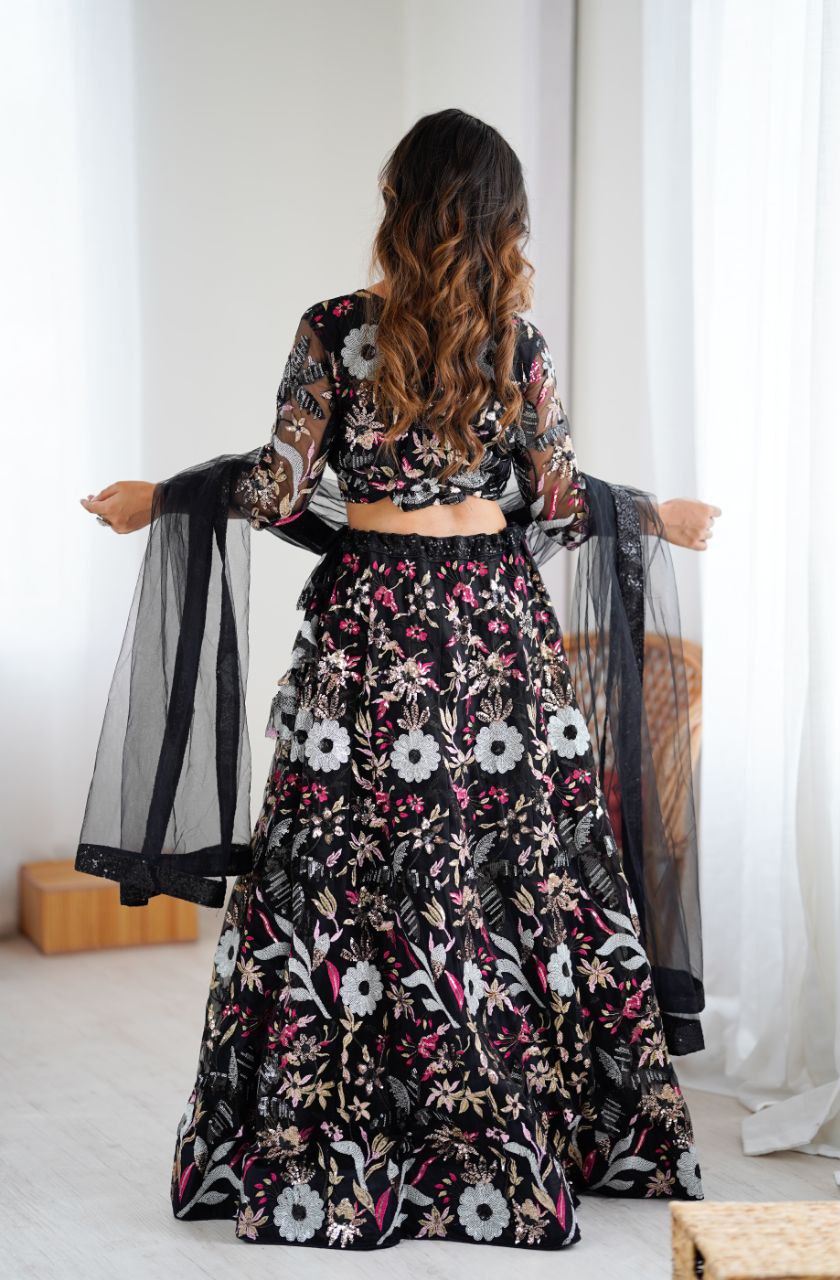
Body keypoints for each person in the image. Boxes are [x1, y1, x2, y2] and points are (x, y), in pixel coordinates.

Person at [77, 109, 720, 1250]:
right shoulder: (515, 345)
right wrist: (654, 515)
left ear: (398, 204)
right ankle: (510, 1140)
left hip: (373, 624)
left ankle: (341, 1149)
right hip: (494, 631)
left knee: (345, 873)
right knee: (502, 869)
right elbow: (556, 497)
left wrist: (165, 494)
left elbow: (280, 490)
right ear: (503, 220)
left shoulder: (335, 331)